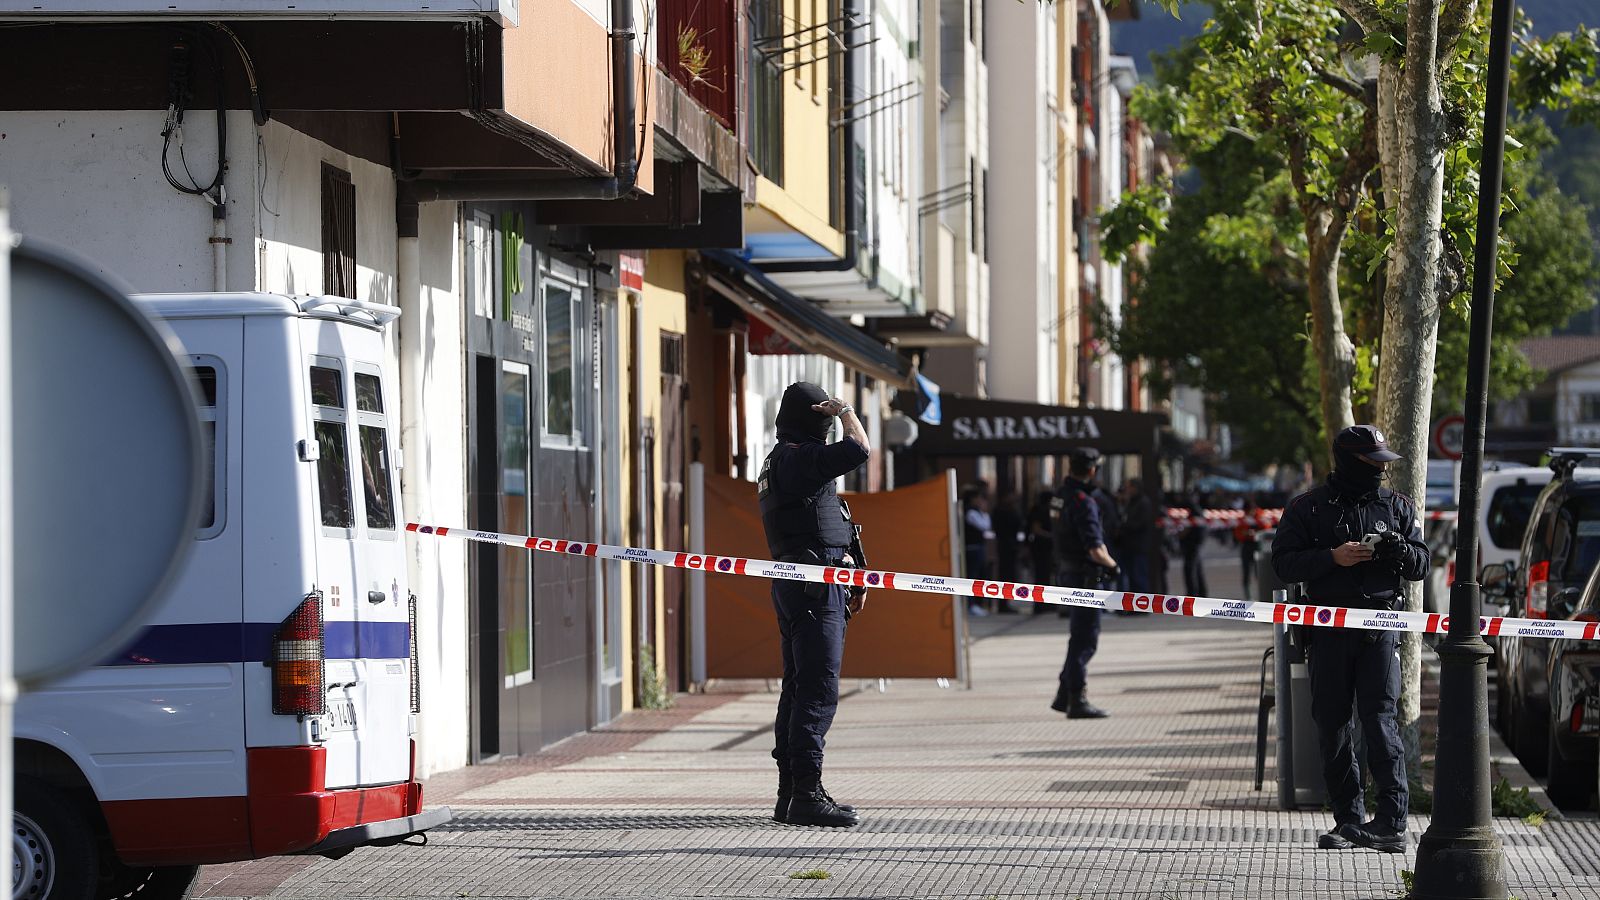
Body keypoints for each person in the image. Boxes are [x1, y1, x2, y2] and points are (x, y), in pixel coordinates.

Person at [1271, 425, 1429, 854]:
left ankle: (1392, 822)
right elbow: (1283, 563)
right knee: (1332, 723)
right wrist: (1332, 558)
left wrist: (1399, 550)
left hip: (1380, 628)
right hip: (1327, 631)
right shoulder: (1308, 507)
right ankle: (1349, 820)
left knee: (1380, 720)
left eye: (1383, 463)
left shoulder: (1397, 506)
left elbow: (1421, 563)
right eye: (1372, 462)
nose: (1380, 470)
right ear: (1348, 461)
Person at [757, 382, 871, 828]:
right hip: (813, 588)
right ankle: (806, 794)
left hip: (807, 584)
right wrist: (845, 410)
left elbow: (826, 521)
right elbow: (859, 448)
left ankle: (790, 793)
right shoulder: (798, 458)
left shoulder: (783, 461)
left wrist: (856, 573)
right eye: (823, 415)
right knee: (817, 689)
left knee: (798, 687)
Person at [1049, 447, 1118, 719]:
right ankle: (1077, 698)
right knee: (1085, 638)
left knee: (1078, 635)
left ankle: (1064, 694)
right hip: (1085, 577)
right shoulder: (1083, 501)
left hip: (1067, 572)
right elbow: (1095, 548)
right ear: (1092, 470)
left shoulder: (1060, 496)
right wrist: (1113, 567)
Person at [1115, 478, 1156, 595]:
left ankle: (1142, 601)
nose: (1127, 490)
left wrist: (1124, 526)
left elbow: (1140, 523)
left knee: (1139, 577)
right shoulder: (1132, 502)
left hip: (1138, 546)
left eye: (1129, 487)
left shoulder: (1143, 503)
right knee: (1132, 578)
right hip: (1129, 546)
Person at [962, 485, 996, 616]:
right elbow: (985, 526)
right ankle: (971, 604)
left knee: (978, 575)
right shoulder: (971, 512)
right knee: (972, 576)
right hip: (973, 548)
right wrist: (984, 512)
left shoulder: (973, 511)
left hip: (977, 547)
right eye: (979, 498)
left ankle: (976, 604)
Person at [992, 490, 1025, 613]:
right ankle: (1003, 603)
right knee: (1005, 574)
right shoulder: (1001, 512)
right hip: (1005, 546)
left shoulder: (1011, 510)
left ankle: (1006, 602)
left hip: (1010, 546)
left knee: (1009, 575)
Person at [1027, 487, 1058, 614]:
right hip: (1041, 547)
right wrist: (1051, 536)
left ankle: (1046, 602)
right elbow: (1036, 529)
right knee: (1041, 576)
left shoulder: (1049, 510)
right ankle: (1040, 604)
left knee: (1046, 576)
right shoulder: (1039, 511)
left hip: (1045, 547)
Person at [1180, 489, 1208, 596]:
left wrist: (1182, 535)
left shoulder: (1189, 508)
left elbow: (1188, 527)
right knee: (1197, 568)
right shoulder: (1196, 507)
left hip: (1191, 542)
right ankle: (1201, 592)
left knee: (1190, 568)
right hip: (1196, 541)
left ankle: (1193, 593)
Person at [1234, 498, 1262, 600]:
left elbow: (1266, 528)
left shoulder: (1260, 516)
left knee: (1259, 572)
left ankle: (1262, 594)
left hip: (1258, 546)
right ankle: (1248, 597)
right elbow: (1237, 533)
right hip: (1246, 546)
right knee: (1246, 573)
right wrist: (1245, 534)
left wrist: (1256, 533)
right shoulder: (1243, 519)